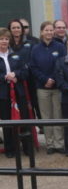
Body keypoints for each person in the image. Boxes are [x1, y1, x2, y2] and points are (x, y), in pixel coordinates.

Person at [29, 20, 66, 154]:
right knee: (46, 116)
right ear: (41, 32)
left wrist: (53, 79)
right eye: (46, 30)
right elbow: (33, 67)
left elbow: (62, 65)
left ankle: (59, 143)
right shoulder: (35, 48)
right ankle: (50, 144)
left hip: (57, 87)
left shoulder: (60, 47)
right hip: (42, 87)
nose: (49, 32)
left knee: (58, 115)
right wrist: (45, 79)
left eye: (51, 30)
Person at [0, 27, 30, 158]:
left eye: (6, 39)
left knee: (23, 119)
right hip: (3, 94)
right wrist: (4, 77)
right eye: (1, 39)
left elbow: (25, 72)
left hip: (18, 92)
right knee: (7, 121)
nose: (4, 41)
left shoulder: (15, 54)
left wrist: (16, 74)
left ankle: (27, 147)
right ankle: (10, 149)